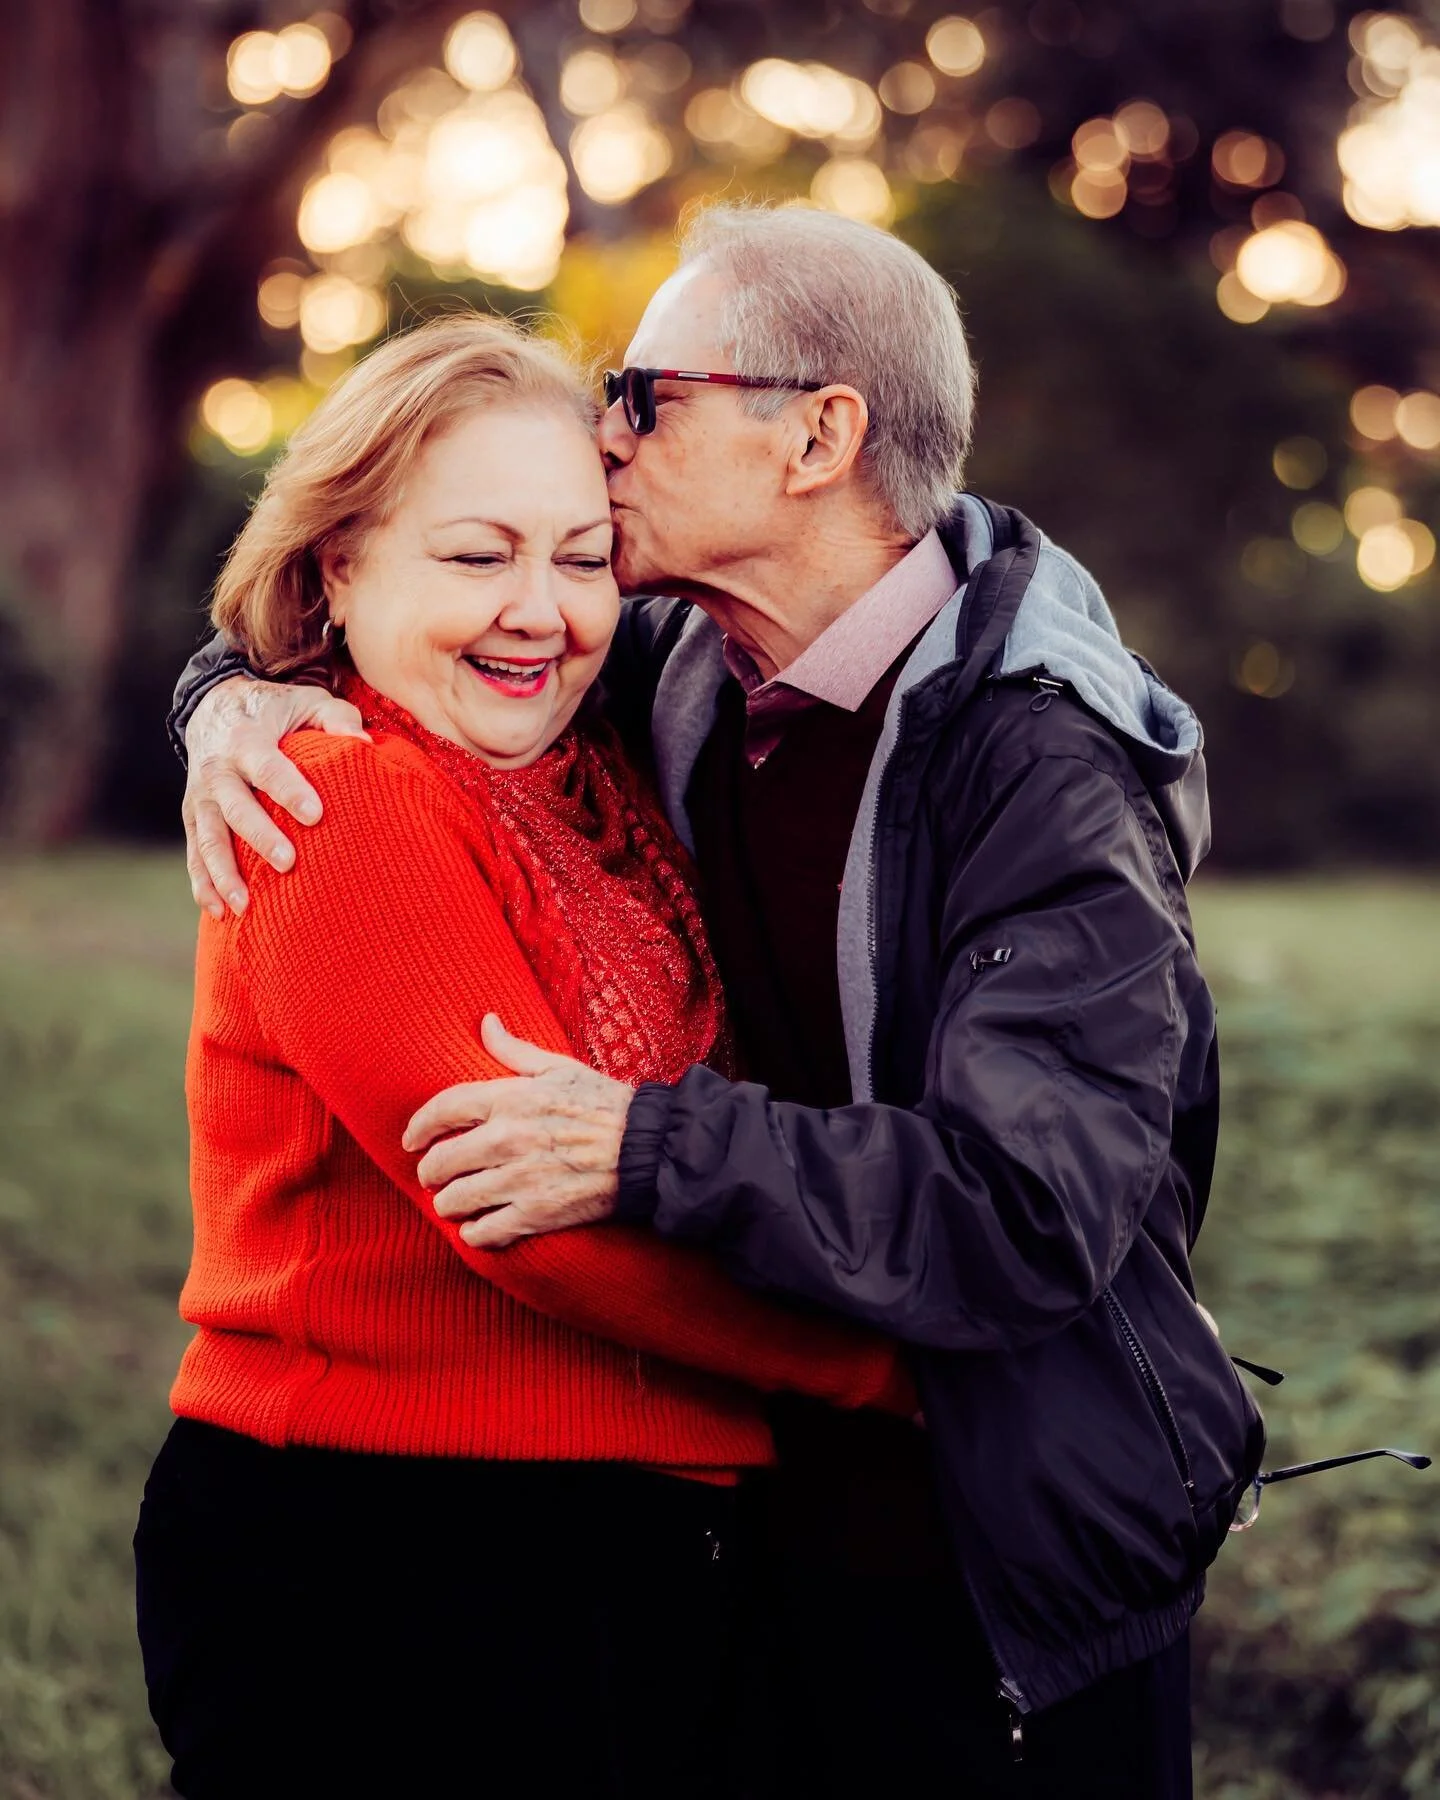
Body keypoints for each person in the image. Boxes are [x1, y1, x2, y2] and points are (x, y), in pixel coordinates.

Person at [172, 205, 1266, 1799]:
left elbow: (1033, 1203)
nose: (603, 440)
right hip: (755, 1532)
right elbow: (402, 597)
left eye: (647, 395)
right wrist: (226, 697)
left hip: (990, 1543)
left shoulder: (1042, 767)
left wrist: (650, 1146)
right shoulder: (681, 659)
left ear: (818, 435)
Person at [137, 312, 916, 1800]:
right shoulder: (332, 799)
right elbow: (538, 1223)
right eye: (477, 555)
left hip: (635, 1533)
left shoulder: (599, 775)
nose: (540, 611)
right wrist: (901, 1374)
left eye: (579, 558)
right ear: (340, 568)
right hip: (389, 1546)